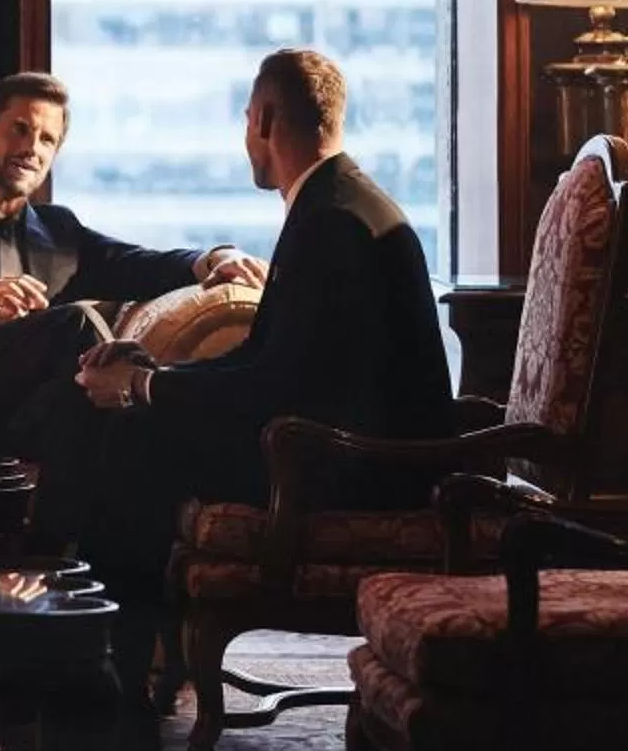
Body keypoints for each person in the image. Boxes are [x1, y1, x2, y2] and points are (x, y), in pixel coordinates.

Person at [76, 46, 455, 525]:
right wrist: (158, 371)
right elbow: (267, 359)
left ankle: (93, 593)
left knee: (134, 439)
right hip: (344, 454)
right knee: (143, 426)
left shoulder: (331, 222)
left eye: (247, 120)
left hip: (357, 472)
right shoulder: (340, 200)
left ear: (265, 120)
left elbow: (274, 386)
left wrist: (139, 386)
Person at [0, 71, 264, 477]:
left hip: (14, 415)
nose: (30, 148)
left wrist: (210, 259)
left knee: (94, 406)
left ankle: (63, 538)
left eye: (46, 139)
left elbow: (135, 263)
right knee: (78, 326)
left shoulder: (58, 232)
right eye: (20, 130)